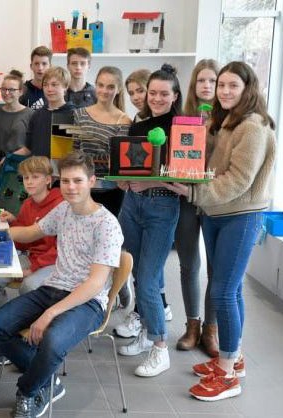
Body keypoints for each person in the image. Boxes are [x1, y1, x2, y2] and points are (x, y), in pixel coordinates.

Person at [163, 61, 275, 401]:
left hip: (239, 216)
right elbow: (209, 164)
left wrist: (192, 192)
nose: (224, 91)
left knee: (223, 292)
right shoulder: (227, 122)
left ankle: (227, 374)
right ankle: (234, 357)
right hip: (215, 212)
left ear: (247, 90)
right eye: (221, 85)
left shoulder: (252, 127)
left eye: (231, 86)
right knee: (230, 290)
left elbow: (239, 181)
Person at [0, 151, 123, 418]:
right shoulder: (63, 210)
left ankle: (28, 391)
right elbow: (32, 232)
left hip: (87, 302)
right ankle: (48, 381)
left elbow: (95, 284)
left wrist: (51, 313)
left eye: (78, 181)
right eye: (66, 181)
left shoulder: (107, 225)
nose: (70, 187)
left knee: (53, 341)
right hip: (53, 288)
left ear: (92, 181)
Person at [115, 64, 182, 378]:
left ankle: (160, 348)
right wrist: (124, 181)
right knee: (139, 276)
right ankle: (145, 333)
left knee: (149, 277)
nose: (155, 98)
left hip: (162, 208)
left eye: (163, 94)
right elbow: (131, 165)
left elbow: (185, 177)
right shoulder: (138, 123)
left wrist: (154, 184)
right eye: (152, 92)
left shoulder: (183, 128)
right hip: (132, 205)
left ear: (175, 96)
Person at [0, 156, 63, 367]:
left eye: (35, 177)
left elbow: (60, 248)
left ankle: (28, 340)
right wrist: (15, 221)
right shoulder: (28, 203)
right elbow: (24, 238)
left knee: (29, 286)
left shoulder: (60, 204)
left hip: (53, 263)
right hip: (32, 257)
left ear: (49, 180)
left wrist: (32, 268)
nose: (29, 182)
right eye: (26, 177)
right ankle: (9, 333)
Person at [175, 59, 220, 355]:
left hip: (217, 200)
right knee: (189, 263)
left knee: (218, 269)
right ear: (193, 86)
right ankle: (192, 325)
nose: (206, 86)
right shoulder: (182, 118)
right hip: (185, 198)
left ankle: (210, 330)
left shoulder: (229, 120)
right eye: (201, 81)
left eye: (212, 81)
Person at [72, 66, 131, 217]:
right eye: (101, 85)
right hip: (81, 190)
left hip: (111, 192)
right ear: (95, 85)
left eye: (110, 87)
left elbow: (117, 161)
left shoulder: (124, 121)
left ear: (118, 90)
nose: (104, 90)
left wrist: (87, 160)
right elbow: (74, 153)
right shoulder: (79, 114)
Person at [0, 73, 33, 173]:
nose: (7, 93)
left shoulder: (31, 115)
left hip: (25, 168)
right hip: (2, 167)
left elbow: (32, 146)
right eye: (3, 89)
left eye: (12, 90)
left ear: (21, 92)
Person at [25, 67, 75, 158]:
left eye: (54, 84)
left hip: (62, 170)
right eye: (45, 85)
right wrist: (9, 157)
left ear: (65, 87)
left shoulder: (73, 114)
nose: (49, 89)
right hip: (38, 169)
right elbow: (29, 147)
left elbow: (75, 151)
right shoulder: (37, 115)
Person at [19, 46, 52, 110]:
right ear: (31, 66)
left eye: (44, 64)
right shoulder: (22, 91)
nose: (40, 68)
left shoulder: (55, 90)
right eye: (36, 64)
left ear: (50, 66)